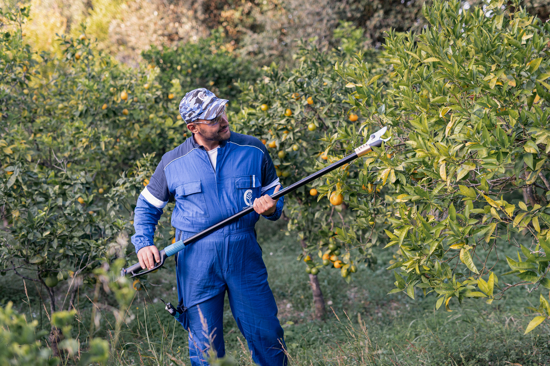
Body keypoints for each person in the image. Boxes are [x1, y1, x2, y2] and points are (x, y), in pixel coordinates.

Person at [131, 88, 288, 365]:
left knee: (267, 334)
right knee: (206, 347)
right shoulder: (172, 162)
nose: (223, 120)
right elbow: (147, 206)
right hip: (195, 261)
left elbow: (275, 195)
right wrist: (144, 243)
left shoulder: (253, 150)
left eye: (222, 112)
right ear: (193, 127)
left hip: (244, 255)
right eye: (214, 119)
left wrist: (273, 208)